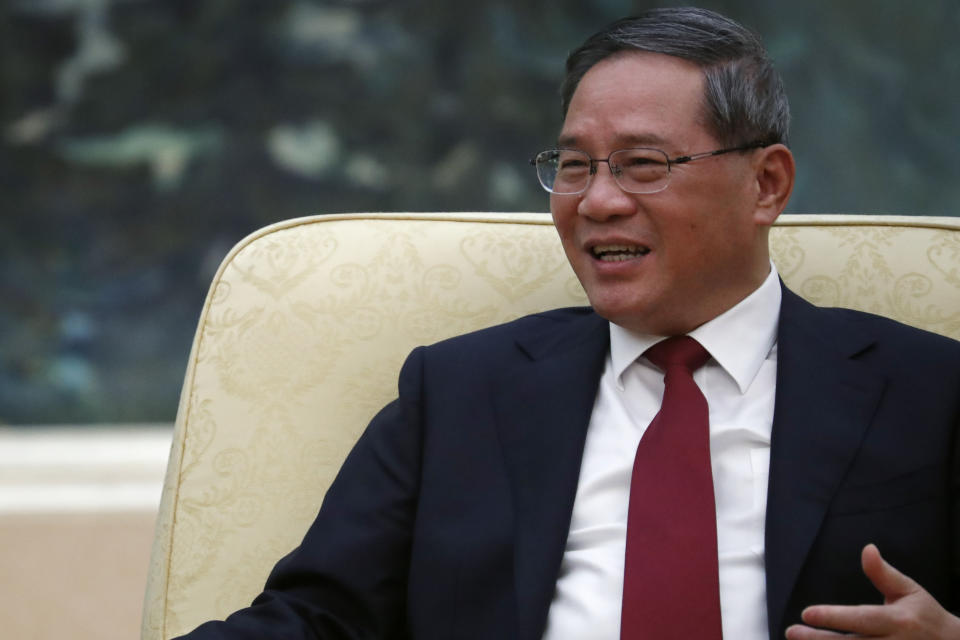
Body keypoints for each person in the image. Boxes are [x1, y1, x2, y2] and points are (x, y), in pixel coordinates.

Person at [177, 7, 960, 639]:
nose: (596, 201)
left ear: (766, 183)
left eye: (643, 163)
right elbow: (315, 620)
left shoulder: (931, 390)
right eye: (575, 164)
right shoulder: (458, 394)